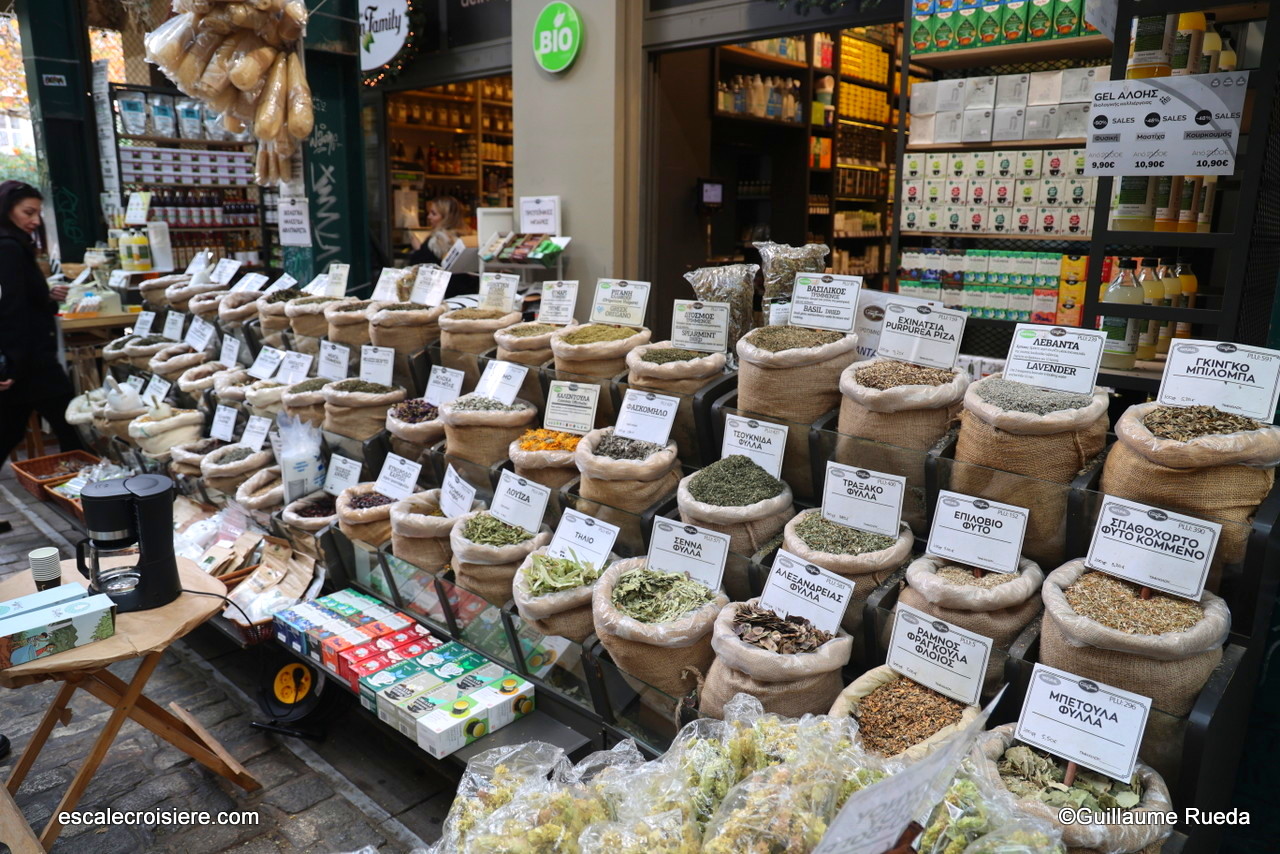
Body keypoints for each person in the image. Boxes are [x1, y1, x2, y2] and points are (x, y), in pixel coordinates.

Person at [0, 180, 84, 468]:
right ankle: (91, 492)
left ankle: (88, 490)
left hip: (25, 360)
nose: (35, 221)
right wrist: (12, 362)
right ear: (7, 210)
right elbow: (10, 307)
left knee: (10, 431)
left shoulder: (12, 244)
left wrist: (46, 296)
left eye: (38, 214)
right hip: (30, 360)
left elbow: (17, 299)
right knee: (70, 424)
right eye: (28, 212)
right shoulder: (9, 247)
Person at [407, 195, 466, 267]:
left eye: (433, 214)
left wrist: (418, 249)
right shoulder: (467, 239)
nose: (429, 217)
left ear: (446, 218)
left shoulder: (436, 242)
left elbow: (419, 266)